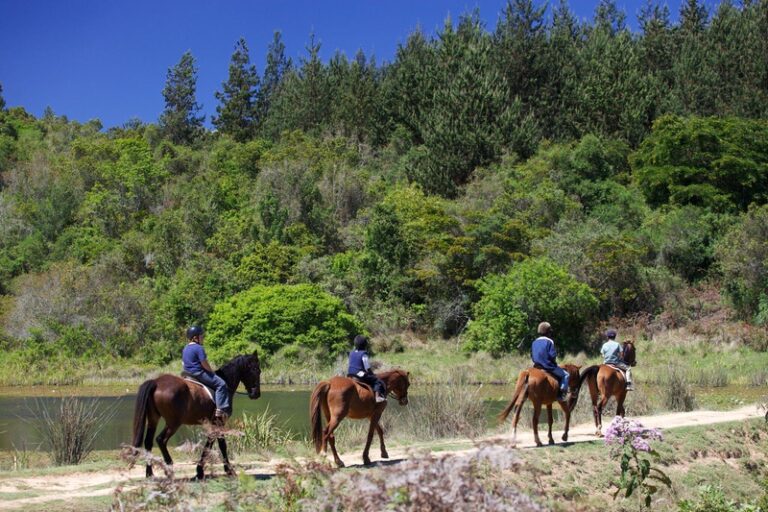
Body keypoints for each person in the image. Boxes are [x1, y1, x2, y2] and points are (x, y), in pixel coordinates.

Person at [182, 325, 231, 420]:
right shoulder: (199, 348)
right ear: (195, 338)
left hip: (187, 374)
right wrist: (211, 372)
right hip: (198, 373)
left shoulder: (185, 348)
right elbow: (204, 364)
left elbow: (184, 362)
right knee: (221, 384)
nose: (203, 338)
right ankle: (220, 409)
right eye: (201, 336)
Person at [530, 322, 569, 401]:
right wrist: (554, 363)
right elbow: (552, 355)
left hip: (536, 366)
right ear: (548, 332)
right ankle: (561, 394)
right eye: (550, 332)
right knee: (566, 375)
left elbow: (532, 355)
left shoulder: (534, 342)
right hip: (548, 366)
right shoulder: (550, 341)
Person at [347, 335, 387, 403]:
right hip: (358, 374)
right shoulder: (363, 354)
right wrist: (372, 375)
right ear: (364, 345)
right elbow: (367, 368)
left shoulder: (351, 353)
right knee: (377, 381)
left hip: (350, 373)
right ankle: (377, 397)